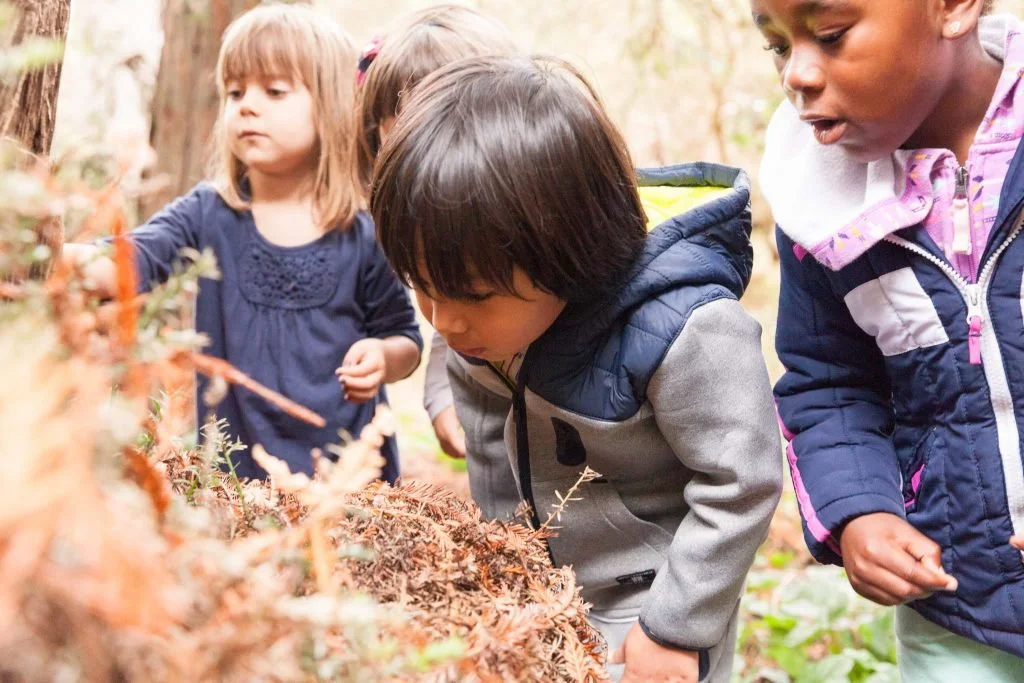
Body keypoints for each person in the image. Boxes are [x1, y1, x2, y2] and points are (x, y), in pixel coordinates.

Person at [371, 54, 782, 683]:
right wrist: (503, 572)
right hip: (545, 588)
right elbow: (488, 446)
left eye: (471, 295)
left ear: (570, 252)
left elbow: (741, 481)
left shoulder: (689, 330)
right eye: (422, 288)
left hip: (661, 593)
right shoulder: (484, 331)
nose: (443, 323)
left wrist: (676, 628)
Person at [754, 0, 1024, 678]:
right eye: (780, 47)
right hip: (959, 608)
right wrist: (858, 512)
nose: (799, 75)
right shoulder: (822, 208)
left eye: (832, 35)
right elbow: (829, 380)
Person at [65, 4, 421, 482]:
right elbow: (133, 259)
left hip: (346, 483)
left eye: (274, 91)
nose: (247, 105)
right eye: (235, 92)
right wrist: (59, 254)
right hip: (235, 483)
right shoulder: (208, 212)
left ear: (331, 104)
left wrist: (381, 356)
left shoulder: (363, 231)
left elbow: (405, 338)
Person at [355, 4, 520, 519]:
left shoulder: (529, 221)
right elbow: (448, 323)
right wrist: (441, 398)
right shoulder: (417, 230)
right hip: (506, 494)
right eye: (395, 139)